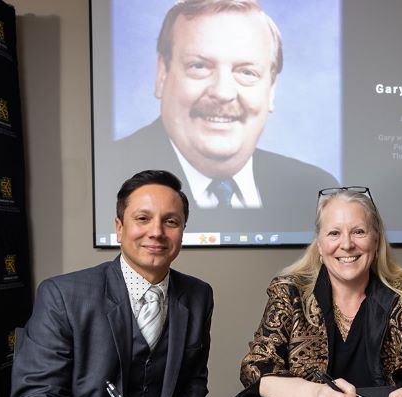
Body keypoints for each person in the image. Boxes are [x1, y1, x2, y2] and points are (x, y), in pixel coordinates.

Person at [5, 170, 213, 397]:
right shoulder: (61, 295)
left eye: (171, 221)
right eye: (142, 219)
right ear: (119, 227)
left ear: (182, 230)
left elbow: (192, 384)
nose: (156, 232)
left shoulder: (199, 294)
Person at [238, 187, 402, 397]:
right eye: (334, 233)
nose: (346, 245)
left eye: (358, 232)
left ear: (376, 240)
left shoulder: (401, 291)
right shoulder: (290, 291)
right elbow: (255, 369)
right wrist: (315, 395)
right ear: (319, 244)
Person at [113, 0, 338, 231]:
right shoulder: (112, 175)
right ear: (162, 73)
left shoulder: (315, 189)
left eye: (246, 72)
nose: (222, 93)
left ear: (271, 89)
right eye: (199, 66)